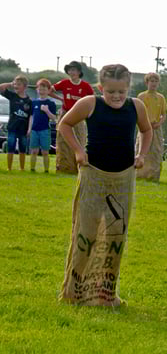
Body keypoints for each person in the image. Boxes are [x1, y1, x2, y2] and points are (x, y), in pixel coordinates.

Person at [56, 64, 152, 306]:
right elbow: (64, 125)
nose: (117, 96)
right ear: (101, 88)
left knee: (115, 235)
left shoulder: (136, 106)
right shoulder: (90, 103)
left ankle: (105, 294)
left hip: (123, 177)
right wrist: (78, 151)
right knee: (86, 232)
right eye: (111, 92)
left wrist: (141, 155)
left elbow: (147, 130)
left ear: (129, 88)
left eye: (121, 91)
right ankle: (74, 292)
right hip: (94, 175)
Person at [50, 61, 95, 175]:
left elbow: (93, 98)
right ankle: (64, 167)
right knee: (63, 141)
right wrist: (60, 99)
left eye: (74, 70)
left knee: (79, 140)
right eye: (70, 70)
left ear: (79, 72)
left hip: (79, 116)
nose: (72, 72)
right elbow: (50, 90)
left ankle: (79, 166)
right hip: (66, 114)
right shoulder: (64, 83)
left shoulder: (85, 86)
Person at [135, 72, 167, 181]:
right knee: (142, 149)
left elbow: (164, 114)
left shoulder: (160, 97)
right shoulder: (141, 96)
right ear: (147, 82)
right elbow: (137, 112)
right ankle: (139, 174)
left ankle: (153, 176)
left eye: (156, 81)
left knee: (156, 151)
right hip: (144, 127)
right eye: (151, 81)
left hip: (156, 127)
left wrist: (159, 123)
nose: (153, 84)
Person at [0, 75, 32, 171]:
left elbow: (30, 116)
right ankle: (9, 168)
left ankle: (22, 168)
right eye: (15, 84)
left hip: (23, 129)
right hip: (12, 127)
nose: (16, 86)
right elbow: (1, 87)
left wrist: (29, 129)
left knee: (22, 148)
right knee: (11, 146)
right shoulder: (12, 96)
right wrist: (10, 83)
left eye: (19, 84)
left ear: (25, 87)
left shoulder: (29, 101)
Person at [28, 78, 57, 172]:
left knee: (45, 152)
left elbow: (53, 118)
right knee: (34, 151)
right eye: (40, 89)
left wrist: (47, 110)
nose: (42, 91)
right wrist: (29, 129)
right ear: (37, 90)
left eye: (44, 89)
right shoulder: (34, 102)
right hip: (34, 130)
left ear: (48, 90)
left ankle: (46, 171)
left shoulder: (51, 103)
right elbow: (31, 116)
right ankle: (32, 169)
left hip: (45, 130)